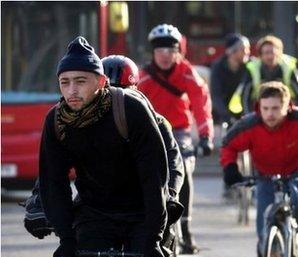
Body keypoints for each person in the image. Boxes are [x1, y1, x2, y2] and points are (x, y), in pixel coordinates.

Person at [38, 36, 185, 257]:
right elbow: (53, 184)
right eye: (65, 82)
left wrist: (152, 238)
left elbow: (155, 178)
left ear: (100, 81)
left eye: (81, 81)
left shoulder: (128, 108)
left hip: (143, 212)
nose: (72, 90)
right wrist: (66, 239)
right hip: (95, 213)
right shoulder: (57, 122)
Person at [24, 55, 186, 245]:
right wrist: (40, 198)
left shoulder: (149, 118)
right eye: (110, 93)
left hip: (143, 205)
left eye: (124, 92)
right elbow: (53, 168)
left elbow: (170, 162)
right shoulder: (69, 119)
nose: (118, 100)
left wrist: (170, 196)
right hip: (96, 210)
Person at [220, 81, 298, 257]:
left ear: (287, 106)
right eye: (265, 108)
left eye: (276, 108)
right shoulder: (250, 124)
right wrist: (230, 168)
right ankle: (265, 254)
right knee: (263, 212)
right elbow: (228, 145)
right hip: (266, 173)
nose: (270, 114)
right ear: (259, 107)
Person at [138, 23, 214, 254]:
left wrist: (205, 136)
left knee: (184, 170)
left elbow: (201, 104)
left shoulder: (187, 73)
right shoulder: (143, 77)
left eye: (170, 50)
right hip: (150, 130)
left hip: (178, 131)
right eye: (160, 50)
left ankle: (186, 227)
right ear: (153, 52)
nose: (165, 55)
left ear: (178, 51)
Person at [236, 35, 298, 114]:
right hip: (260, 113)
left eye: (272, 52)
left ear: (279, 53)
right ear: (260, 55)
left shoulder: (288, 68)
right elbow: (245, 97)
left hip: (286, 112)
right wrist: (249, 116)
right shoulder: (253, 69)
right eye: (266, 53)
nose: (270, 56)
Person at [210, 33, 250, 127]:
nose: (247, 52)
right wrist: (228, 119)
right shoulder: (218, 67)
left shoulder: (251, 66)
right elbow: (216, 97)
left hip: (246, 115)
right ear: (232, 51)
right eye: (244, 49)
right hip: (223, 117)